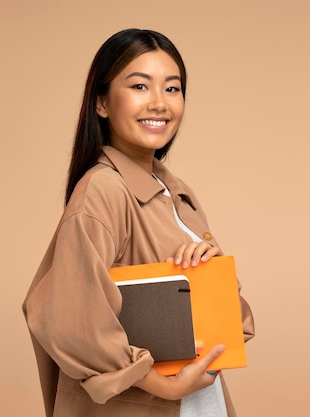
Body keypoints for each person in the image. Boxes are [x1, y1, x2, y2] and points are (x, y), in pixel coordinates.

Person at [23, 28, 255, 417]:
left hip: (200, 403)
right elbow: (69, 321)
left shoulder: (176, 193)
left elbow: (228, 322)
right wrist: (165, 385)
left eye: (172, 88)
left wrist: (209, 271)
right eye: (140, 86)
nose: (159, 103)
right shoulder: (103, 190)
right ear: (101, 102)